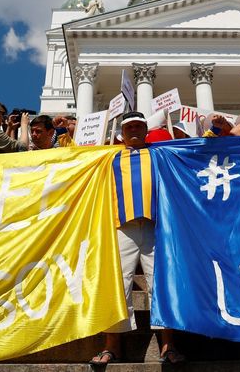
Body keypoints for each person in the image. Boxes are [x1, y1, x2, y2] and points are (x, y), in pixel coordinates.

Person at [90, 111, 185, 366]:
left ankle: (168, 346)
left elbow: (197, 151)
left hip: (157, 227)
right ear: (121, 132)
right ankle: (111, 347)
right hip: (121, 227)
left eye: (138, 127)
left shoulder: (161, 152)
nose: (134, 131)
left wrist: (217, 130)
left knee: (162, 284)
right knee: (116, 285)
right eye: (129, 127)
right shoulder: (107, 155)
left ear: (146, 130)